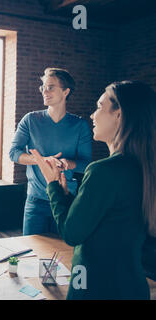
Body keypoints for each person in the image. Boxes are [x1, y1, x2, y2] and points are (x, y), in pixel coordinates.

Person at [30, 80, 155, 299]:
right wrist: (67, 195)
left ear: (119, 115)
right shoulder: (144, 167)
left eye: (99, 107)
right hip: (132, 286)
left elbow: (72, 233)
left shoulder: (103, 170)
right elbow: (99, 221)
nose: (92, 115)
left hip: (95, 286)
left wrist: (52, 185)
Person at [9, 67, 92, 236]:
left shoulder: (80, 125)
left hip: (65, 200)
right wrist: (42, 160)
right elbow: (14, 153)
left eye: (51, 87)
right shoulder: (30, 120)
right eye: (43, 87)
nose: (45, 91)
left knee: (61, 256)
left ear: (66, 92)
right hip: (35, 201)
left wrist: (67, 164)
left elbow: (86, 165)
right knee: (32, 254)